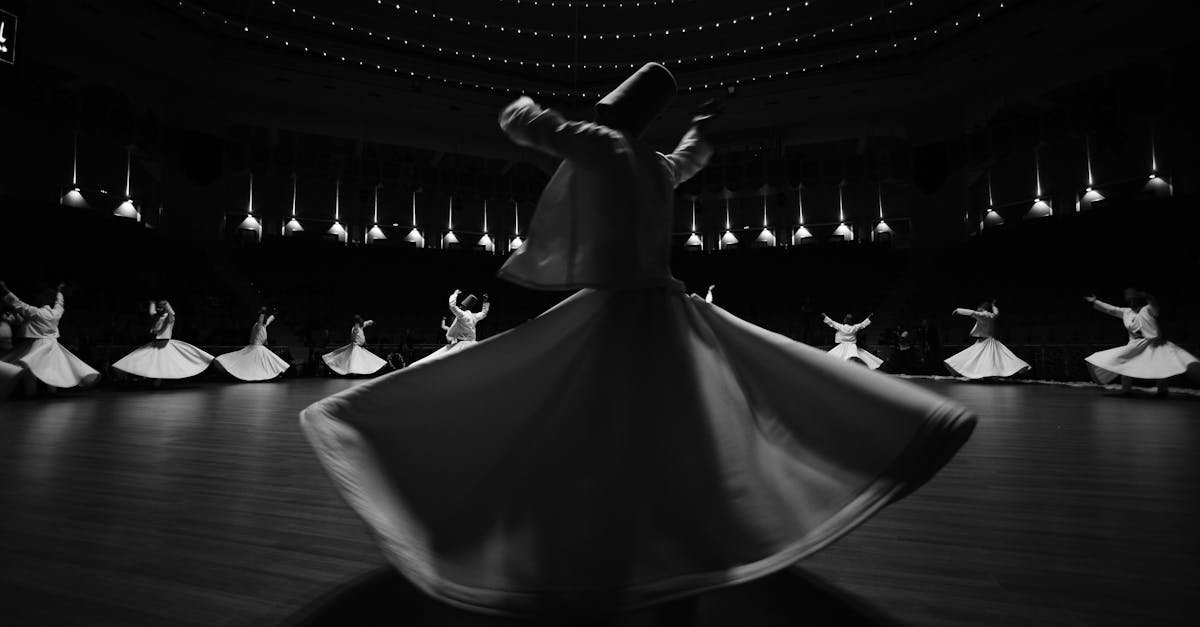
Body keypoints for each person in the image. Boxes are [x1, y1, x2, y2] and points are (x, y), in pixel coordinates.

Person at [299, 63, 976, 618]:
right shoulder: (652, 162)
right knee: (668, 426)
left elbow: (527, 125)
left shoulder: (606, 144)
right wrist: (701, 132)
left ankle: (607, 539)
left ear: (615, 109)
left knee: (581, 416)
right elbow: (688, 163)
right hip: (666, 309)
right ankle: (671, 539)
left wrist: (521, 100)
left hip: (618, 310)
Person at [1084, 289, 1198, 396]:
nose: (1132, 302)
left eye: (1134, 300)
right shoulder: (1126, 312)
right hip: (1135, 345)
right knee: (1125, 364)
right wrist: (1095, 301)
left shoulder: (1148, 309)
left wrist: (1148, 296)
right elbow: (1111, 309)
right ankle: (1126, 390)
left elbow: (1154, 303)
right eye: (1130, 300)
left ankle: (1162, 391)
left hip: (1153, 343)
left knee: (1160, 365)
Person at [0, 281, 100, 396]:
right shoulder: (56, 313)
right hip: (52, 344)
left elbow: (16, 303)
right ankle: (51, 392)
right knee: (51, 367)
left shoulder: (36, 312)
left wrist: (4, 290)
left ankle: (30, 392)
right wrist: (60, 292)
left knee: (29, 368)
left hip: (37, 344)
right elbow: (60, 303)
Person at [112, 299, 214, 381]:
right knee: (142, 360)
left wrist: (166, 305)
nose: (159, 310)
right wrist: (152, 303)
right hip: (156, 343)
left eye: (161, 308)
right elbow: (153, 314)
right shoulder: (158, 317)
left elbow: (171, 313)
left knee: (163, 364)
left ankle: (157, 381)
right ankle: (142, 378)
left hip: (165, 344)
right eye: (159, 308)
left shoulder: (169, 318)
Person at [943, 298, 1030, 379]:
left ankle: (984, 375)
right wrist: (993, 306)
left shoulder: (982, 315)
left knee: (974, 358)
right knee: (995, 358)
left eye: (978, 307)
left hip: (985, 342)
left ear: (981, 308)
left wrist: (958, 310)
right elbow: (997, 313)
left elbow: (972, 313)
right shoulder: (991, 315)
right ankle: (989, 376)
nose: (977, 309)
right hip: (991, 340)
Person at [213, 307, 290, 381]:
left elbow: (269, 320)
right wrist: (262, 313)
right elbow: (261, 321)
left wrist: (274, 314)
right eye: (264, 319)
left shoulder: (263, 325)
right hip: (255, 348)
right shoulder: (258, 326)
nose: (265, 320)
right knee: (255, 363)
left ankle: (271, 374)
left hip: (259, 348)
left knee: (269, 360)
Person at [321, 314, 386, 376]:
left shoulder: (360, 326)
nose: (362, 321)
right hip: (355, 347)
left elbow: (366, 323)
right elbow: (354, 337)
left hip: (359, 347)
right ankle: (353, 373)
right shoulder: (355, 328)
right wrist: (358, 342)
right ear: (357, 322)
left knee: (363, 359)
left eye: (361, 320)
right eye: (360, 320)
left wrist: (371, 322)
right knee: (354, 360)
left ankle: (356, 372)